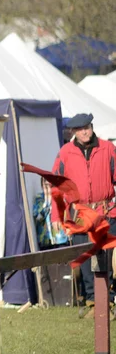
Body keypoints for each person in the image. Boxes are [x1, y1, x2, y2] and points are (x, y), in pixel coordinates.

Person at [51, 113, 116, 318]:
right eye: (79, 129)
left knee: (107, 260)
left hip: (106, 213)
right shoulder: (65, 153)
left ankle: (109, 302)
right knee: (86, 260)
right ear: (73, 132)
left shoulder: (108, 148)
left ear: (91, 126)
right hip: (80, 215)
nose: (84, 131)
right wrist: (56, 217)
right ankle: (92, 304)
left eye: (86, 127)